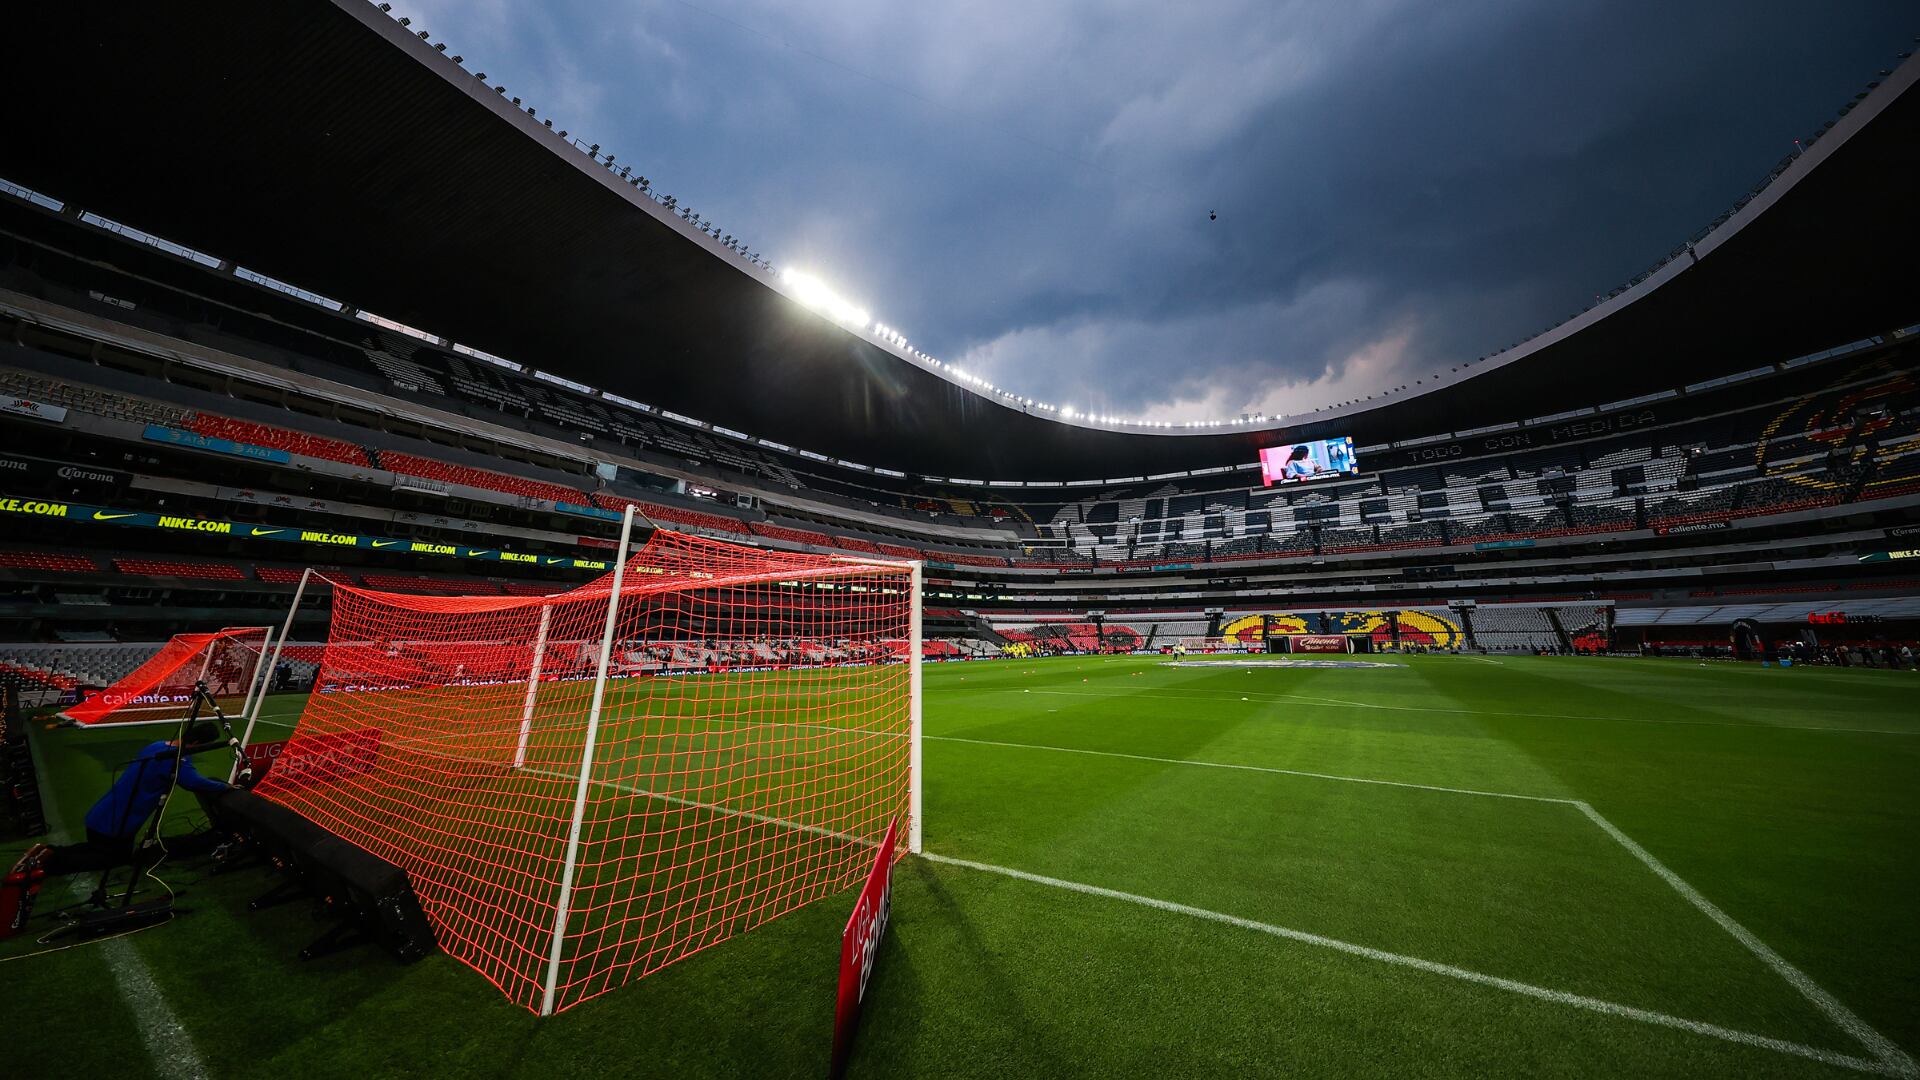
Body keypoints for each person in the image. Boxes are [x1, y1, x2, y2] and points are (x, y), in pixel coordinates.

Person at [43, 722, 234, 878]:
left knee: (99, 849)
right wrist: (225, 787)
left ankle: (50, 851)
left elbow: (184, 769)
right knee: (113, 858)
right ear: (197, 743)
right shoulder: (174, 759)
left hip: (103, 814)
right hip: (117, 820)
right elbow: (193, 782)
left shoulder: (158, 746)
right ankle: (48, 864)